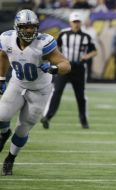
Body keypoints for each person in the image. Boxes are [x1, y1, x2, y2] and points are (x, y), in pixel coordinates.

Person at [0, 9, 71, 176]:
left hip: (40, 90)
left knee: (23, 128)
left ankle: (10, 158)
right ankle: (4, 134)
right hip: (17, 84)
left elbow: (65, 64)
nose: (29, 30)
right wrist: (1, 78)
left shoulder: (44, 43)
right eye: (25, 27)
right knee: (1, 116)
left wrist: (54, 68)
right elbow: (2, 55)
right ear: (17, 27)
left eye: (32, 27)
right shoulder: (6, 38)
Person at [40, 11, 97, 129]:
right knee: (57, 92)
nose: (76, 24)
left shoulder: (86, 37)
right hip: (65, 67)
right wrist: (58, 60)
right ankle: (47, 117)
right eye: (74, 22)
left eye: (78, 22)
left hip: (79, 68)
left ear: (81, 23)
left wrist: (87, 56)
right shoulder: (63, 34)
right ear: (70, 22)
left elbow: (94, 51)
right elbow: (56, 48)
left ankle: (83, 120)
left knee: (80, 96)